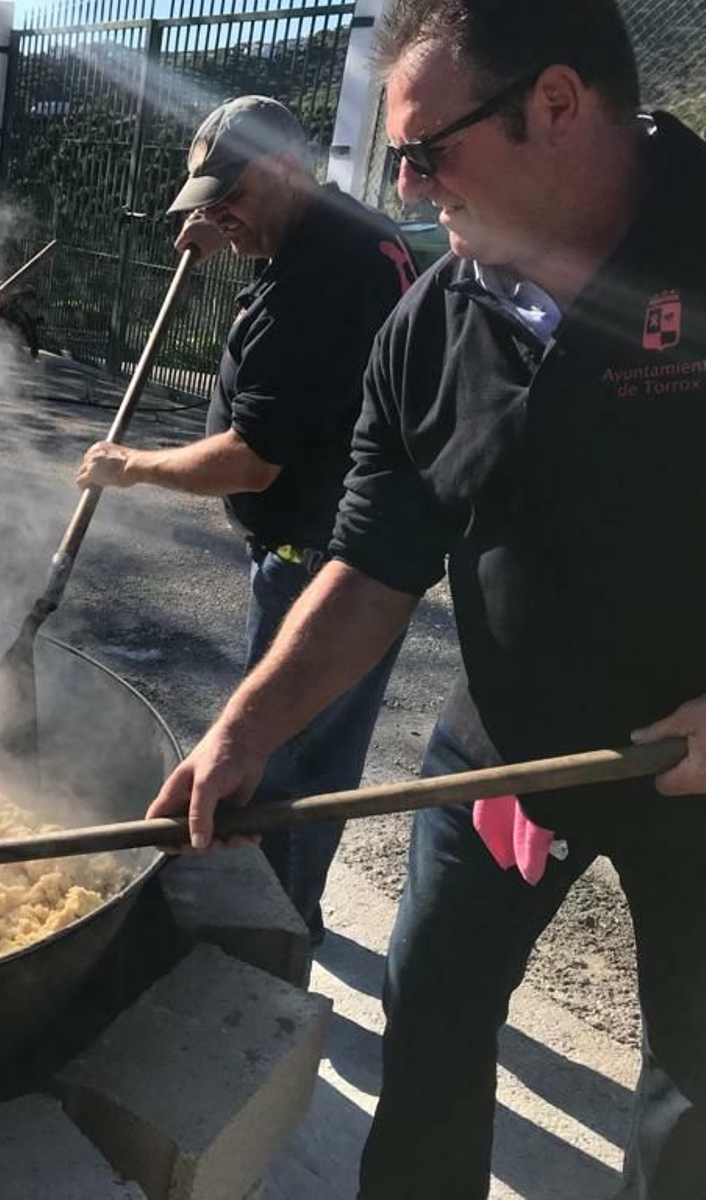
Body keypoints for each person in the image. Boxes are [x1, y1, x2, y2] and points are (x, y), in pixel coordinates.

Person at [146, 2, 706, 1195]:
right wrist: (245, 730)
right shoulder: (435, 318)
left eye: (426, 148)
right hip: (508, 736)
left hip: (697, 757)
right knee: (430, 1008)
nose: (404, 180)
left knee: (694, 1087)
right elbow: (371, 559)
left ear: (555, 105)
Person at [75, 96, 417, 944]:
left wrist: (132, 469)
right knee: (305, 753)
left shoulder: (320, 280)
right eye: (207, 204)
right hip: (337, 553)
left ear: (286, 171)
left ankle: (273, 947)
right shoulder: (326, 231)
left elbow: (250, 458)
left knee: (285, 772)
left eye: (229, 199)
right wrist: (222, 234)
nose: (217, 218)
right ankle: (292, 919)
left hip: (323, 565)